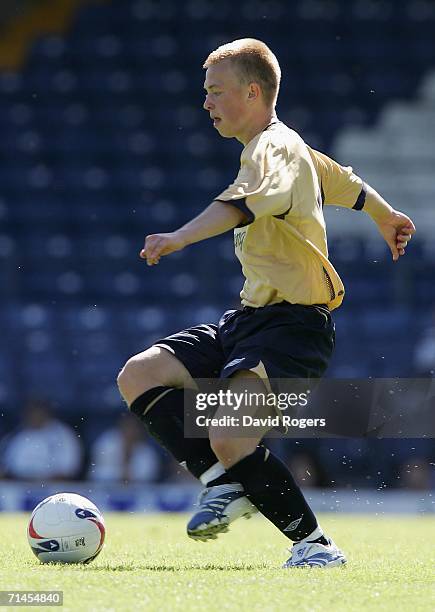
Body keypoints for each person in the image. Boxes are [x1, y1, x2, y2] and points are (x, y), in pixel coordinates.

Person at [117, 38, 415, 568]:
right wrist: (385, 214)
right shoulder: (287, 146)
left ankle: (316, 547)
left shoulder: (271, 151)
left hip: (293, 326)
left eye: (215, 92)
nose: (205, 102)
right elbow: (342, 181)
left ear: (252, 92)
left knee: (228, 432)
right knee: (141, 375)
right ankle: (223, 485)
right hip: (251, 318)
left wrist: (180, 237)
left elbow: (244, 204)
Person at [0, 398, 82, 480]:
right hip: (16, 485)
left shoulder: (63, 434)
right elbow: (4, 468)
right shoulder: (16, 434)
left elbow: (68, 470)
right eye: (30, 412)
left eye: (37, 411)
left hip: (53, 486)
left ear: (47, 413)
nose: (34, 415)